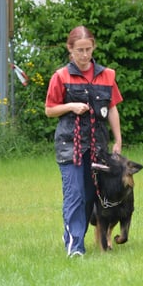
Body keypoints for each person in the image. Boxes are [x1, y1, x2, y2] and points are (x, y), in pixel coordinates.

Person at [44, 25, 123, 258]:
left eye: (88, 49)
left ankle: (71, 233)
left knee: (90, 195)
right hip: (70, 145)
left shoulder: (107, 75)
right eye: (79, 50)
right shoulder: (61, 76)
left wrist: (118, 140)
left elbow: (112, 108)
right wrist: (70, 106)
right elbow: (49, 110)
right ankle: (75, 247)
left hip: (97, 145)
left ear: (93, 47)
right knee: (75, 194)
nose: (85, 54)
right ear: (70, 49)